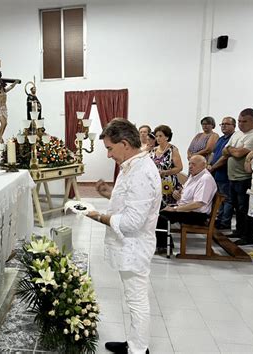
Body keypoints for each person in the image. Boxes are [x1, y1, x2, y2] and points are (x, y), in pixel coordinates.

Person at [86, 118, 161, 354]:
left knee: (137, 300)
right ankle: (135, 343)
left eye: (109, 148)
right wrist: (109, 193)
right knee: (132, 298)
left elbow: (131, 223)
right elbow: (129, 204)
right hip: (130, 246)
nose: (108, 155)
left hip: (135, 246)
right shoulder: (132, 165)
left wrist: (96, 216)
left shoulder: (141, 172)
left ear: (125, 143)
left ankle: (139, 350)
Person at [155, 155, 217, 253]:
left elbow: (198, 203)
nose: (190, 166)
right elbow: (185, 191)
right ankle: (162, 243)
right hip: (186, 209)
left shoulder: (205, 179)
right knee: (158, 209)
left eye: (194, 164)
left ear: (203, 165)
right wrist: (178, 193)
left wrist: (175, 209)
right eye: (189, 164)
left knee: (161, 216)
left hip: (197, 215)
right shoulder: (194, 175)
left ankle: (165, 246)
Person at [223, 108, 253, 245]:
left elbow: (238, 154)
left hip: (244, 178)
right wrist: (234, 150)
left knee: (245, 208)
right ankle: (238, 230)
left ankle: (247, 236)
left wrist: (233, 150)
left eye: (244, 121)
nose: (241, 124)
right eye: (239, 121)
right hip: (232, 177)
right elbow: (224, 151)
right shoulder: (237, 134)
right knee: (237, 207)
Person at [207, 116, 236, 229]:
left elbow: (225, 157)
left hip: (225, 173)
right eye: (222, 124)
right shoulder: (221, 139)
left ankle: (225, 222)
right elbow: (213, 153)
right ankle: (219, 219)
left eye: (227, 124)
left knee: (227, 199)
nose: (224, 126)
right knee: (219, 198)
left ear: (234, 126)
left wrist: (213, 167)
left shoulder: (233, 139)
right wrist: (208, 164)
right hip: (216, 173)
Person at [149, 125, 183, 208]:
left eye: (160, 136)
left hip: (168, 183)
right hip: (155, 182)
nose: (158, 138)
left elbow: (179, 167)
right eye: (156, 136)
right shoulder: (154, 150)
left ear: (167, 137)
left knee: (165, 207)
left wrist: (165, 172)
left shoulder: (172, 150)